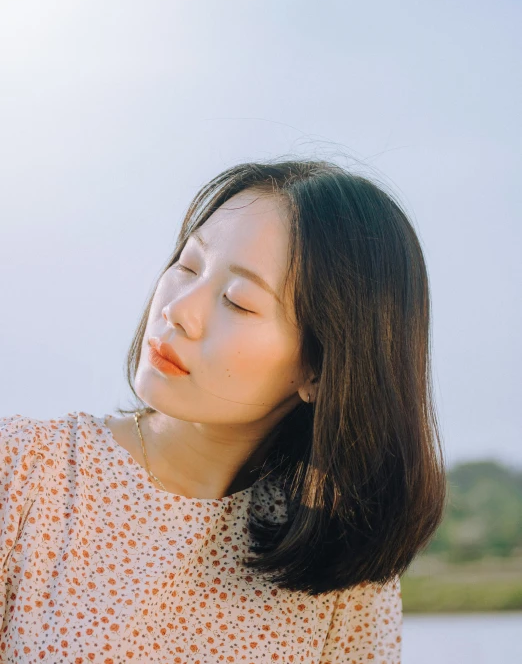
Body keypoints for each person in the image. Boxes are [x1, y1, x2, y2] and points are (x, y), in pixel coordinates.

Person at [0, 158, 446, 662]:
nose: (178, 310)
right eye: (187, 266)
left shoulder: (340, 567)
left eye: (237, 301)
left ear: (319, 369)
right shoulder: (25, 473)